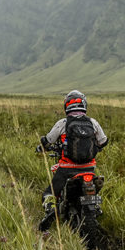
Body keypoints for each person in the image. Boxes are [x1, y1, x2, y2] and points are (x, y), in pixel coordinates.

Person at [37, 90, 109, 228]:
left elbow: (48, 140)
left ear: (66, 106)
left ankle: (51, 210)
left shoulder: (63, 123)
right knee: (94, 183)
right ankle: (95, 206)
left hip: (67, 169)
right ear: (84, 105)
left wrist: (42, 147)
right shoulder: (93, 122)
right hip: (89, 169)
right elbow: (103, 141)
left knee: (49, 193)